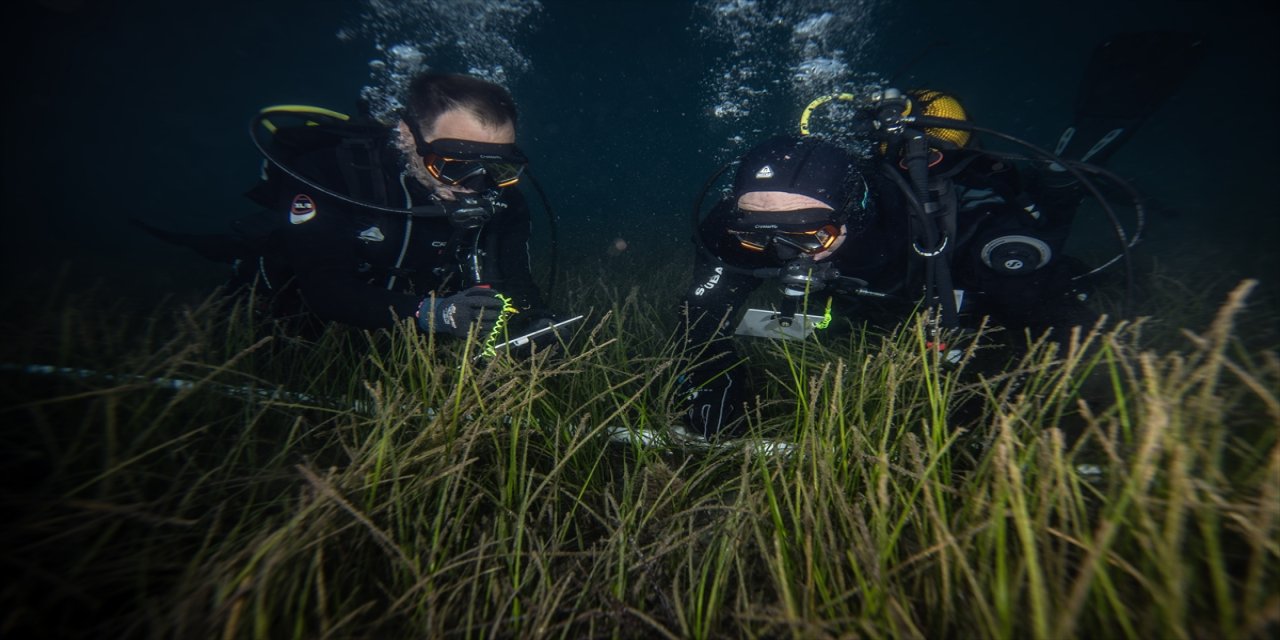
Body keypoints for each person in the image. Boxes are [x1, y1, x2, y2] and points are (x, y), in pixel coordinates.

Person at [677, 31, 1204, 439]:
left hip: (966, 272)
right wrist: (708, 374)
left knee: (1047, 223)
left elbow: (1069, 333)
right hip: (874, 300)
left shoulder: (958, 230)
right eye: (756, 236)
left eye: (809, 236)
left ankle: (1091, 138)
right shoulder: (733, 228)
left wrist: (1010, 416)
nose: (780, 254)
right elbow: (700, 311)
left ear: (855, 218)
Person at [142, 72, 558, 341]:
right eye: (456, 166)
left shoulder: (504, 197)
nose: (478, 187)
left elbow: (515, 280)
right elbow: (323, 288)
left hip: (396, 317)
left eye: (499, 166)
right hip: (293, 306)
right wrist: (434, 313)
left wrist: (533, 321)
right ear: (408, 136)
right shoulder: (332, 172)